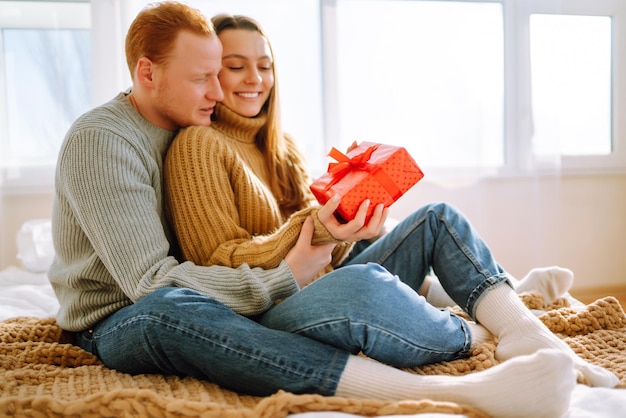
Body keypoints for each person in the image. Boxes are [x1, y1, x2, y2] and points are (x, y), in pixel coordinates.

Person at [44, 3, 598, 417]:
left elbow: (295, 246)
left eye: (226, 71)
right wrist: (290, 274)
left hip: (244, 292)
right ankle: (453, 384)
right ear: (146, 73)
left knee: (435, 222)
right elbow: (150, 281)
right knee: (169, 309)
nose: (222, 90)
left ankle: (517, 325)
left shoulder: (193, 123)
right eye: (206, 77)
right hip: (116, 319)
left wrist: (342, 234)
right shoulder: (107, 140)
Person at [163, 10, 619, 390]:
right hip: (266, 310)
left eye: (264, 65)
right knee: (362, 284)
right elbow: (214, 260)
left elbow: (325, 249)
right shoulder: (198, 145)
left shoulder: (280, 146)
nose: (255, 79)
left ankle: (522, 329)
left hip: (319, 283)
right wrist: (317, 227)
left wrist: (352, 223)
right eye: (236, 65)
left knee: (435, 218)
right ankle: (482, 326)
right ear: (210, 74)